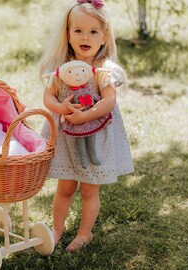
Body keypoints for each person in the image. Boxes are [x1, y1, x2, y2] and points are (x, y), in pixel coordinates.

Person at [39, 0, 134, 253]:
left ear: (104, 36)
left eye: (93, 31)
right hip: (67, 137)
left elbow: (109, 100)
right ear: (68, 35)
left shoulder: (102, 70)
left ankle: (84, 233)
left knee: (90, 189)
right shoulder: (60, 69)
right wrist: (60, 108)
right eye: (78, 30)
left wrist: (86, 115)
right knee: (66, 187)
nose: (85, 37)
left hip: (96, 135)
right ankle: (57, 229)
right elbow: (48, 97)